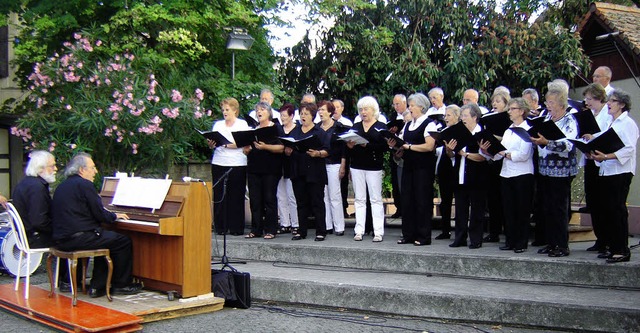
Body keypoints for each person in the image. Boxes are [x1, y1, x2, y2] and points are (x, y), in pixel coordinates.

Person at [51, 153, 141, 298]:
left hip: (62, 239)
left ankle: (94, 286)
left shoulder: (63, 185)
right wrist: (114, 216)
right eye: (92, 168)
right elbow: (99, 214)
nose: (95, 171)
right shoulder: (85, 185)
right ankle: (120, 284)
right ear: (82, 170)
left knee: (105, 237)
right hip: (78, 238)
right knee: (122, 241)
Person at [585, 90, 638, 263]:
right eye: (608, 100)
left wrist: (606, 156)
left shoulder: (627, 123)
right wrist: (593, 151)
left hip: (620, 172)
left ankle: (622, 250)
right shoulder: (611, 123)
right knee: (608, 210)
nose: (608, 103)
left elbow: (629, 149)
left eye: (612, 101)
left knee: (617, 210)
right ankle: (613, 247)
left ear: (622, 104)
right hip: (607, 170)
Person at [530, 87, 579, 258]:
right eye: (547, 102)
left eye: (551, 102)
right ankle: (551, 243)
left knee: (559, 209)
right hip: (545, 170)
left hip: (561, 171)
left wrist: (547, 142)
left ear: (561, 103)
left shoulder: (569, 120)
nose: (547, 105)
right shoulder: (546, 119)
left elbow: (569, 145)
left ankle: (562, 245)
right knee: (547, 208)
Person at [482, 98, 535, 253]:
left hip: (523, 174)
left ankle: (521, 242)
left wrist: (502, 153)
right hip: (506, 173)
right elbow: (500, 153)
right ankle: (510, 240)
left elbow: (523, 155)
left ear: (521, 111)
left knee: (522, 210)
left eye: (512, 109)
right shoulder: (508, 130)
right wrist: (489, 151)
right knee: (508, 209)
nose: (509, 112)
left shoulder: (527, 129)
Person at [390, 93, 438, 246]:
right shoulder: (408, 124)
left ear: (422, 107)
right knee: (407, 200)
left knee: (422, 201)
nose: (409, 108)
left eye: (412, 106)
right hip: (409, 166)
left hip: (423, 168)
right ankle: (408, 234)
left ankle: (423, 235)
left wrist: (409, 147)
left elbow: (429, 146)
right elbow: (403, 143)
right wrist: (398, 148)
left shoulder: (429, 124)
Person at [445, 104, 490, 249]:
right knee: (460, 209)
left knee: (477, 209)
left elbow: (483, 157)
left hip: (477, 177)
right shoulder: (458, 133)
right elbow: (451, 155)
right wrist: (449, 150)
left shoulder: (482, 134)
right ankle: (460, 238)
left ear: (474, 117)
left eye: (465, 115)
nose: (462, 118)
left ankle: (476, 239)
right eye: (461, 116)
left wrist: (465, 154)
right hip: (460, 175)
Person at [286, 102, 330, 241]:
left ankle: (321, 231)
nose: (303, 116)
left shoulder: (319, 133)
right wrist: (288, 151)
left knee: (317, 201)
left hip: (315, 171)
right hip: (298, 170)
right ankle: (301, 230)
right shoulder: (295, 131)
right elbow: (288, 146)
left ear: (312, 116)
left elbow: (328, 150)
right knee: (301, 202)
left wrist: (318, 153)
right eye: (301, 113)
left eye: (306, 114)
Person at [347, 96, 387, 242]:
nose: (363, 112)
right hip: (357, 165)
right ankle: (359, 230)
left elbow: (384, 147)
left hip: (374, 166)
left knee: (375, 199)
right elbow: (349, 146)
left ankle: (378, 231)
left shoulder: (381, 126)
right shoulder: (355, 127)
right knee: (359, 199)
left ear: (373, 110)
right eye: (361, 109)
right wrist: (350, 146)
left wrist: (367, 145)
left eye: (366, 109)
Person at [209, 97, 250, 236]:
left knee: (236, 195)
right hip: (219, 162)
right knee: (220, 194)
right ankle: (220, 227)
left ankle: (236, 227)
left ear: (235, 110)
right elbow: (214, 141)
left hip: (237, 163)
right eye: (223, 110)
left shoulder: (242, 124)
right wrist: (212, 144)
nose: (224, 112)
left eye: (227, 109)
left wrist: (225, 144)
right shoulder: (218, 125)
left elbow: (242, 142)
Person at [243, 102, 285, 239]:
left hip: (271, 169)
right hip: (254, 168)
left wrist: (265, 147)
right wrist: (247, 150)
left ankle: (270, 229)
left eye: (262, 110)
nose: (259, 112)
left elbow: (281, 148)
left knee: (269, 198)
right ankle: (256, 229)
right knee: (255, 200)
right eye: (257, 110)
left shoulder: (276, 128)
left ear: (269, 113)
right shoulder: (253, 129)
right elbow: (247, 149)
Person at [581, 83, 612, 251]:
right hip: (590, 159)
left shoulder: (607, 114)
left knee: (603, 201)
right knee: (593, 201)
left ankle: (607, 239)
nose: (587, 102)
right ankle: (599, 238)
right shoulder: (590, 114)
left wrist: (593, 137)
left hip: (603, 161)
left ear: (599, 98)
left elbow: (608, 135)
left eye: (590, 99)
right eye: (586, 99)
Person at [11, 150, 57, 248]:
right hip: (35, 238)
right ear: (40, 169)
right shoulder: (37, 187)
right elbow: (39, 221)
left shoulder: (25, 183)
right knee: (72, 239)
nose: (55, 169)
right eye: (52, 166)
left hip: (26, 236)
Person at [483, 91, 510, 243]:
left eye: (498, 101)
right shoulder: (489, 118)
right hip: (492, 160)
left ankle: (507, 230)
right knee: (492, 198)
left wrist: (493, 138)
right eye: (493, 101)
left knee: (504, 198)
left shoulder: (508, 119)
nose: (494, 104)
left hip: (505, 162)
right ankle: (493, 232)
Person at [318, 100, 346, 236]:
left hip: (334, 164)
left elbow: (343, 149)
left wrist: (343, 165)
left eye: (323, 110)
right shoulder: (317, 128)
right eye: (319, 110)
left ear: (330, 112)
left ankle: (339, 226)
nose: (320, 112)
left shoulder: (338, 127)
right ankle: (327, 225)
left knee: (334, 195)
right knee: (323, 196)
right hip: (320, 164)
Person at [434, 105, 461, 240]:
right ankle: (445, 230)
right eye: (445, 115)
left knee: (460, 200)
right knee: (445, 201)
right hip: (444, 167)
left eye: (449, 115)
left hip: (455, 168)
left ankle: (460, 232)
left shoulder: (460, 131)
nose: (446, 118)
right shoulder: (444, 130)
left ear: (457, 116)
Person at [276, 103, 300, 235]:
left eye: (284, 115)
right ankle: (285, 223)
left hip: (292, 165)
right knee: (281, 196)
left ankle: (295, 223)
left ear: (291, 116)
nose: (282, 118)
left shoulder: (297, 129)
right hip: (280, 165)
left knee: (292, 196)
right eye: (280, 115)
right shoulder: (278, 129)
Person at [333, 99, 353, 218]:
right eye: (333, 107)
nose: (335, 110)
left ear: (342, 109)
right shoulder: (326, 122)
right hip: (332, 156)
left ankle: (344, 207)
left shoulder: (347, 123)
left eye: (337, 107)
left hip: (345, 155)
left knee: (343, 184)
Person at [389, 94, 408, 219]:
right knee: (396, 182)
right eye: (394, 104)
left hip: (407, 154)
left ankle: (406, 209)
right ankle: (399, 207)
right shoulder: (393, 117)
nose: (396, 107)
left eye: (398, 104)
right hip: (395, 151)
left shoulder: (408, 117)